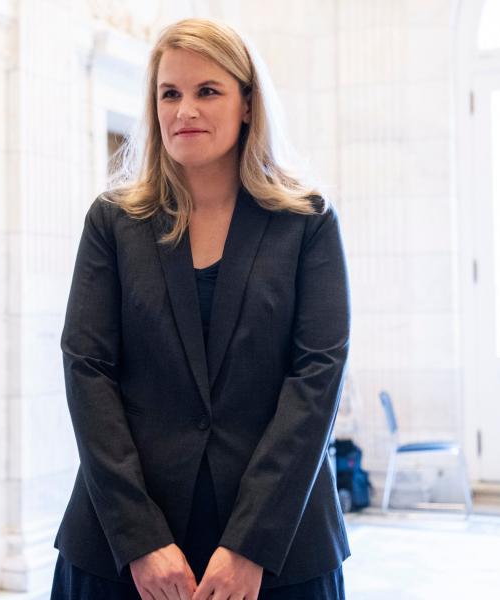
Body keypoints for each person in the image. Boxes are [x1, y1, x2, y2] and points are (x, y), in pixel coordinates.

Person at [51, 17, 351, 600]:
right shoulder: (113, 222)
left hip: (279, 546)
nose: (184, 109)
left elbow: (317, 380)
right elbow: (86, 370)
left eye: (207, 91)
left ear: (247, 104)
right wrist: (140, 539)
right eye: (170, 93)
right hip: (124, 542)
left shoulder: (308, 222)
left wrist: (250, 545)